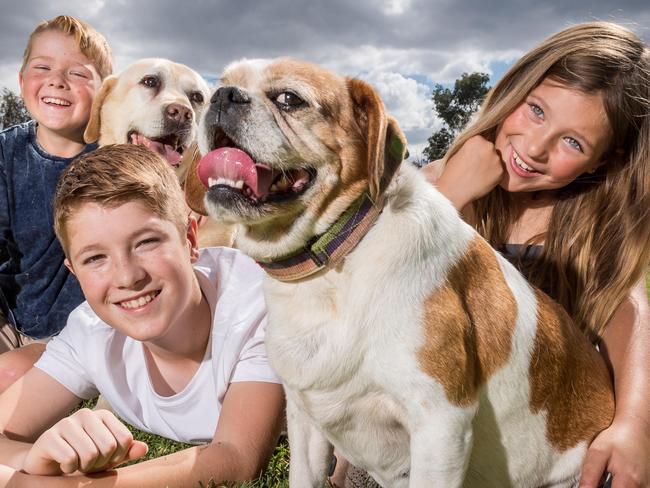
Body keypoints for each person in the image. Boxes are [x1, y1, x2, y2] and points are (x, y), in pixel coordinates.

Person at [423, 21, 649, 488]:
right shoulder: (431, 188)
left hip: (533, 444)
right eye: (536, 110)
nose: (535, 147)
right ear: (515, 89)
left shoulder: (590, 235)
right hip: (433, 429)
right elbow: (380, 296)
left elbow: (635, 324)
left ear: (602, 161)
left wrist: (634, 426)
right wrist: (449, 197)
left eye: (573, 142)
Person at [0, 144, 285, 487]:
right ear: (74, 271)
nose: (127, 277)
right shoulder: (90, 331)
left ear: (190, 239)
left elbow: (236, 457)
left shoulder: (256, 306)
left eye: (147, 242)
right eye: (95, 258)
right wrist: (29, 460)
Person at [0, 15, 113, 391]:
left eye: (78, 74)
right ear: (21, 82)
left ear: (105, 93)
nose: (57, 80)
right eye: (43, 67)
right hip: (11, 320)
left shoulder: (116, 159)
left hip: (78, 336)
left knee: (9, 375)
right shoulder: (6, 152)